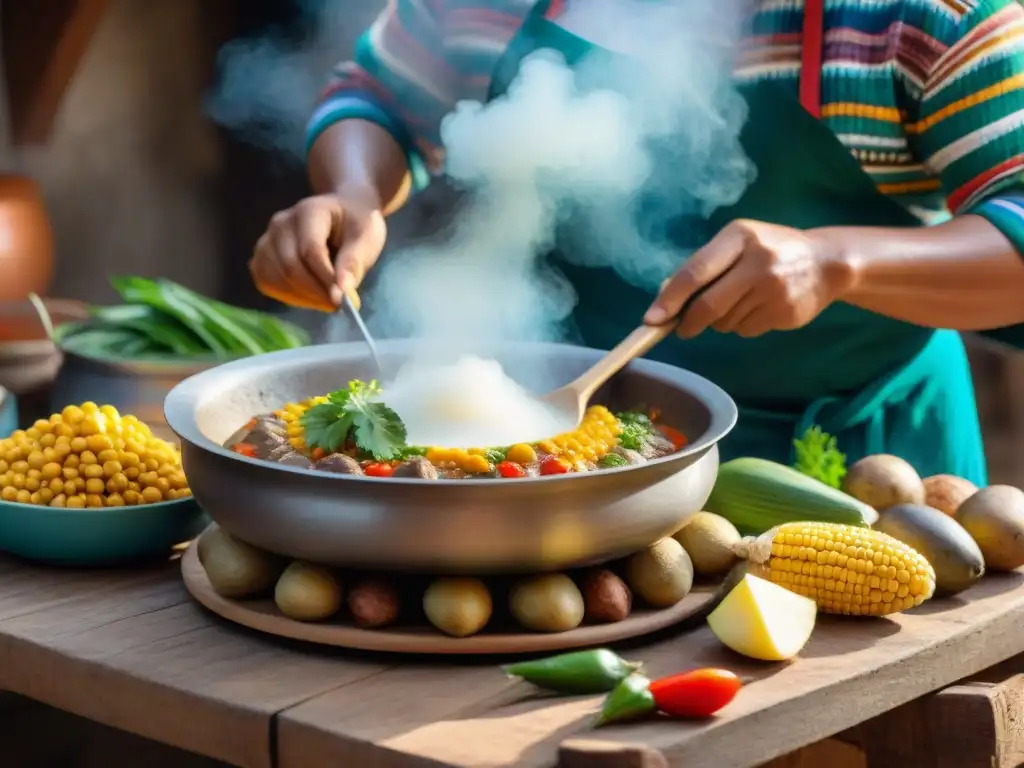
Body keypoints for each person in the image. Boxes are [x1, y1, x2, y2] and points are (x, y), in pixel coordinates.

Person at [249, 0, 1024, 485]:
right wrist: (354, 190)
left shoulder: (922, 17)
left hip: (869, 465)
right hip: (587, 457)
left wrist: (835, 262)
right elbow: (376, 92)